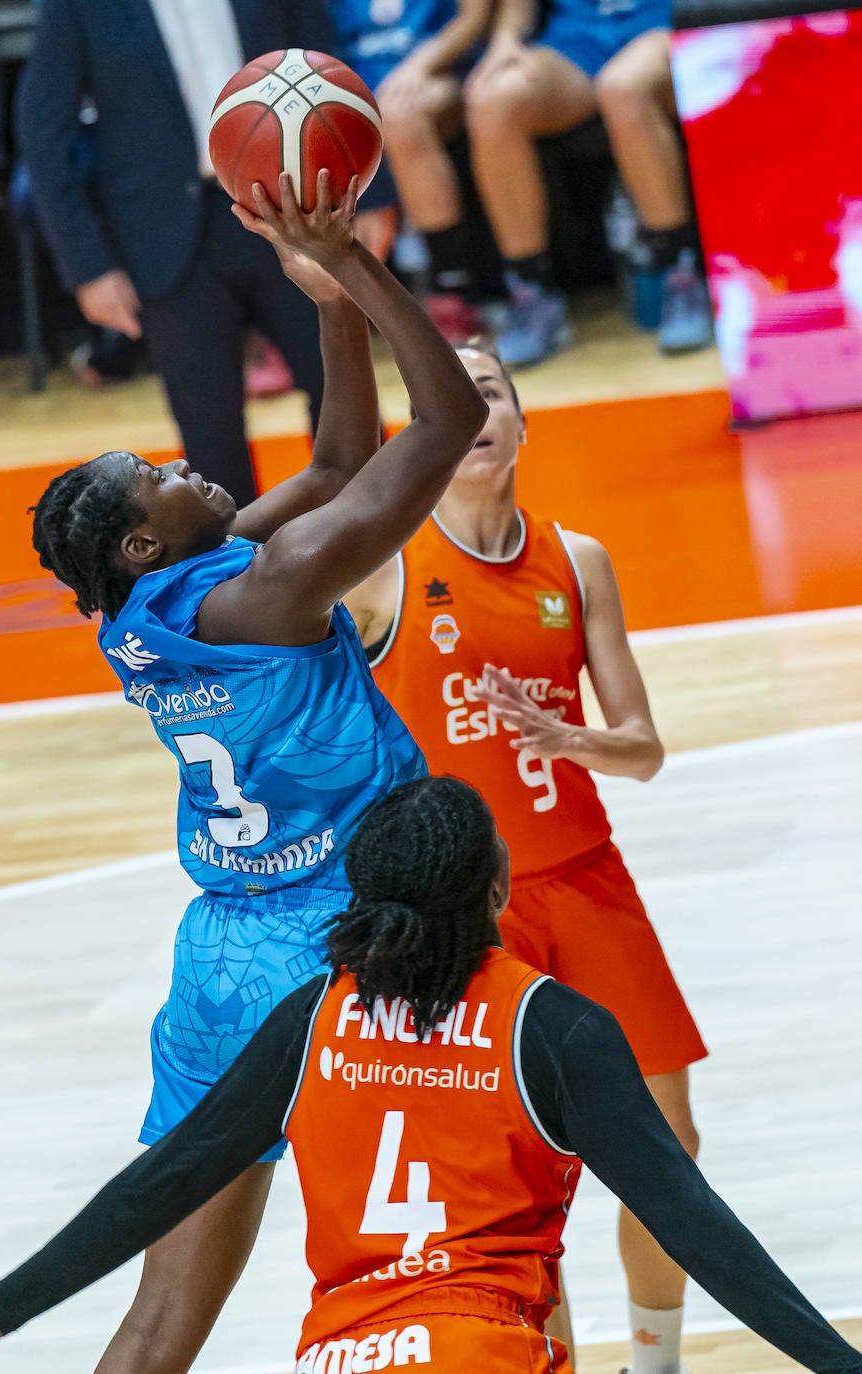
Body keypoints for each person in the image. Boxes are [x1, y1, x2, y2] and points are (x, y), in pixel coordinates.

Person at [5, 173, 486, 1374]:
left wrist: (319, 299)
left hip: (217, 954)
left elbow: (333, 467)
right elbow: (443, 430)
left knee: (165, 1319)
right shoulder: (263, 595)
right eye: (159, 473)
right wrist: (363, 261)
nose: (184, 462)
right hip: (343, 943)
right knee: (440, 1265)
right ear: (139, 539)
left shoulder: (153, 610)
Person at [0, 776, 860, 1374]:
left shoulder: (311, 1019)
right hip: (486, 1349)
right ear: (496, 889)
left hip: (337, 1358)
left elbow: (160, 1186)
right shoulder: (549, 1028)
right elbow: (693, 1223)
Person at [343, 343, 706, 1374]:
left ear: (521, 422)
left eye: (490, 392)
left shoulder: (576, 558)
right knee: (515, 1178)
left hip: (585, 875)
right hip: (466, 911)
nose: (475, 411)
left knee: (668, 1148)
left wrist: (571, 739)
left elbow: (645, 749)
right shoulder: (388, 565)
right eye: (445, 401)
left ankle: (657, 1363)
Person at [16, 0, 339, 505]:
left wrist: (371, 195)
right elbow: (42, 126)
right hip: (160, 232)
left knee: (342, 390)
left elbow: (331, 70)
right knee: (209, 439)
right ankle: (239, 577)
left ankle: (377, 557)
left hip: (288, 205)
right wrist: (89, 265)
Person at [457, 0, 712, 363]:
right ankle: (532, 292)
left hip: (661, 21)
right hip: (576, 40)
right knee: (492, 100)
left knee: (623, 89)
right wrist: (506, 39)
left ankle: (681, 274)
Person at [330, 0, 495, 338]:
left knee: (399, 116)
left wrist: (420, 64)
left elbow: (474, 18)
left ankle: (451, 284)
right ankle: (329, 302)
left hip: (438, 69)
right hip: (351, 82)